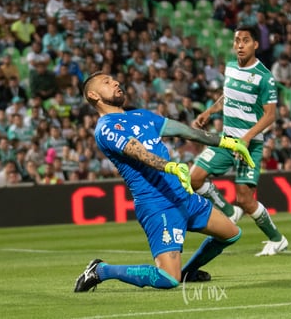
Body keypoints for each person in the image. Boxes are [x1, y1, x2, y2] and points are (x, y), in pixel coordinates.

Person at [74, 71, 255, 292]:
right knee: (168, 279)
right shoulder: (106, 128)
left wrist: (228, 143)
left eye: (114, 79)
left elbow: (186, 131)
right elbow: (136, 150)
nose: (116, 82)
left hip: (183, 195)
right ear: (93, 95)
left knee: (231, 234)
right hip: (157, 203)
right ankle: (101, 270)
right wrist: (169, 166)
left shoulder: (140, 115)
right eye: (107, 82)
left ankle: (188, 272)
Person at [190, 25, 288, 257]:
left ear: (255, 44)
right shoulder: (231, 67)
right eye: (237, 41)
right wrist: (210, 111)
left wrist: (246, 138)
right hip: (226, 140)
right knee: (194, 178)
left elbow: (270, 115)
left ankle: (277, 239)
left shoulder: (264, 77)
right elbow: (228, 95)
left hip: (249, 144)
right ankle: (227, 210)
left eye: (245, 41)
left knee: (245, 199)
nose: (240, 45)